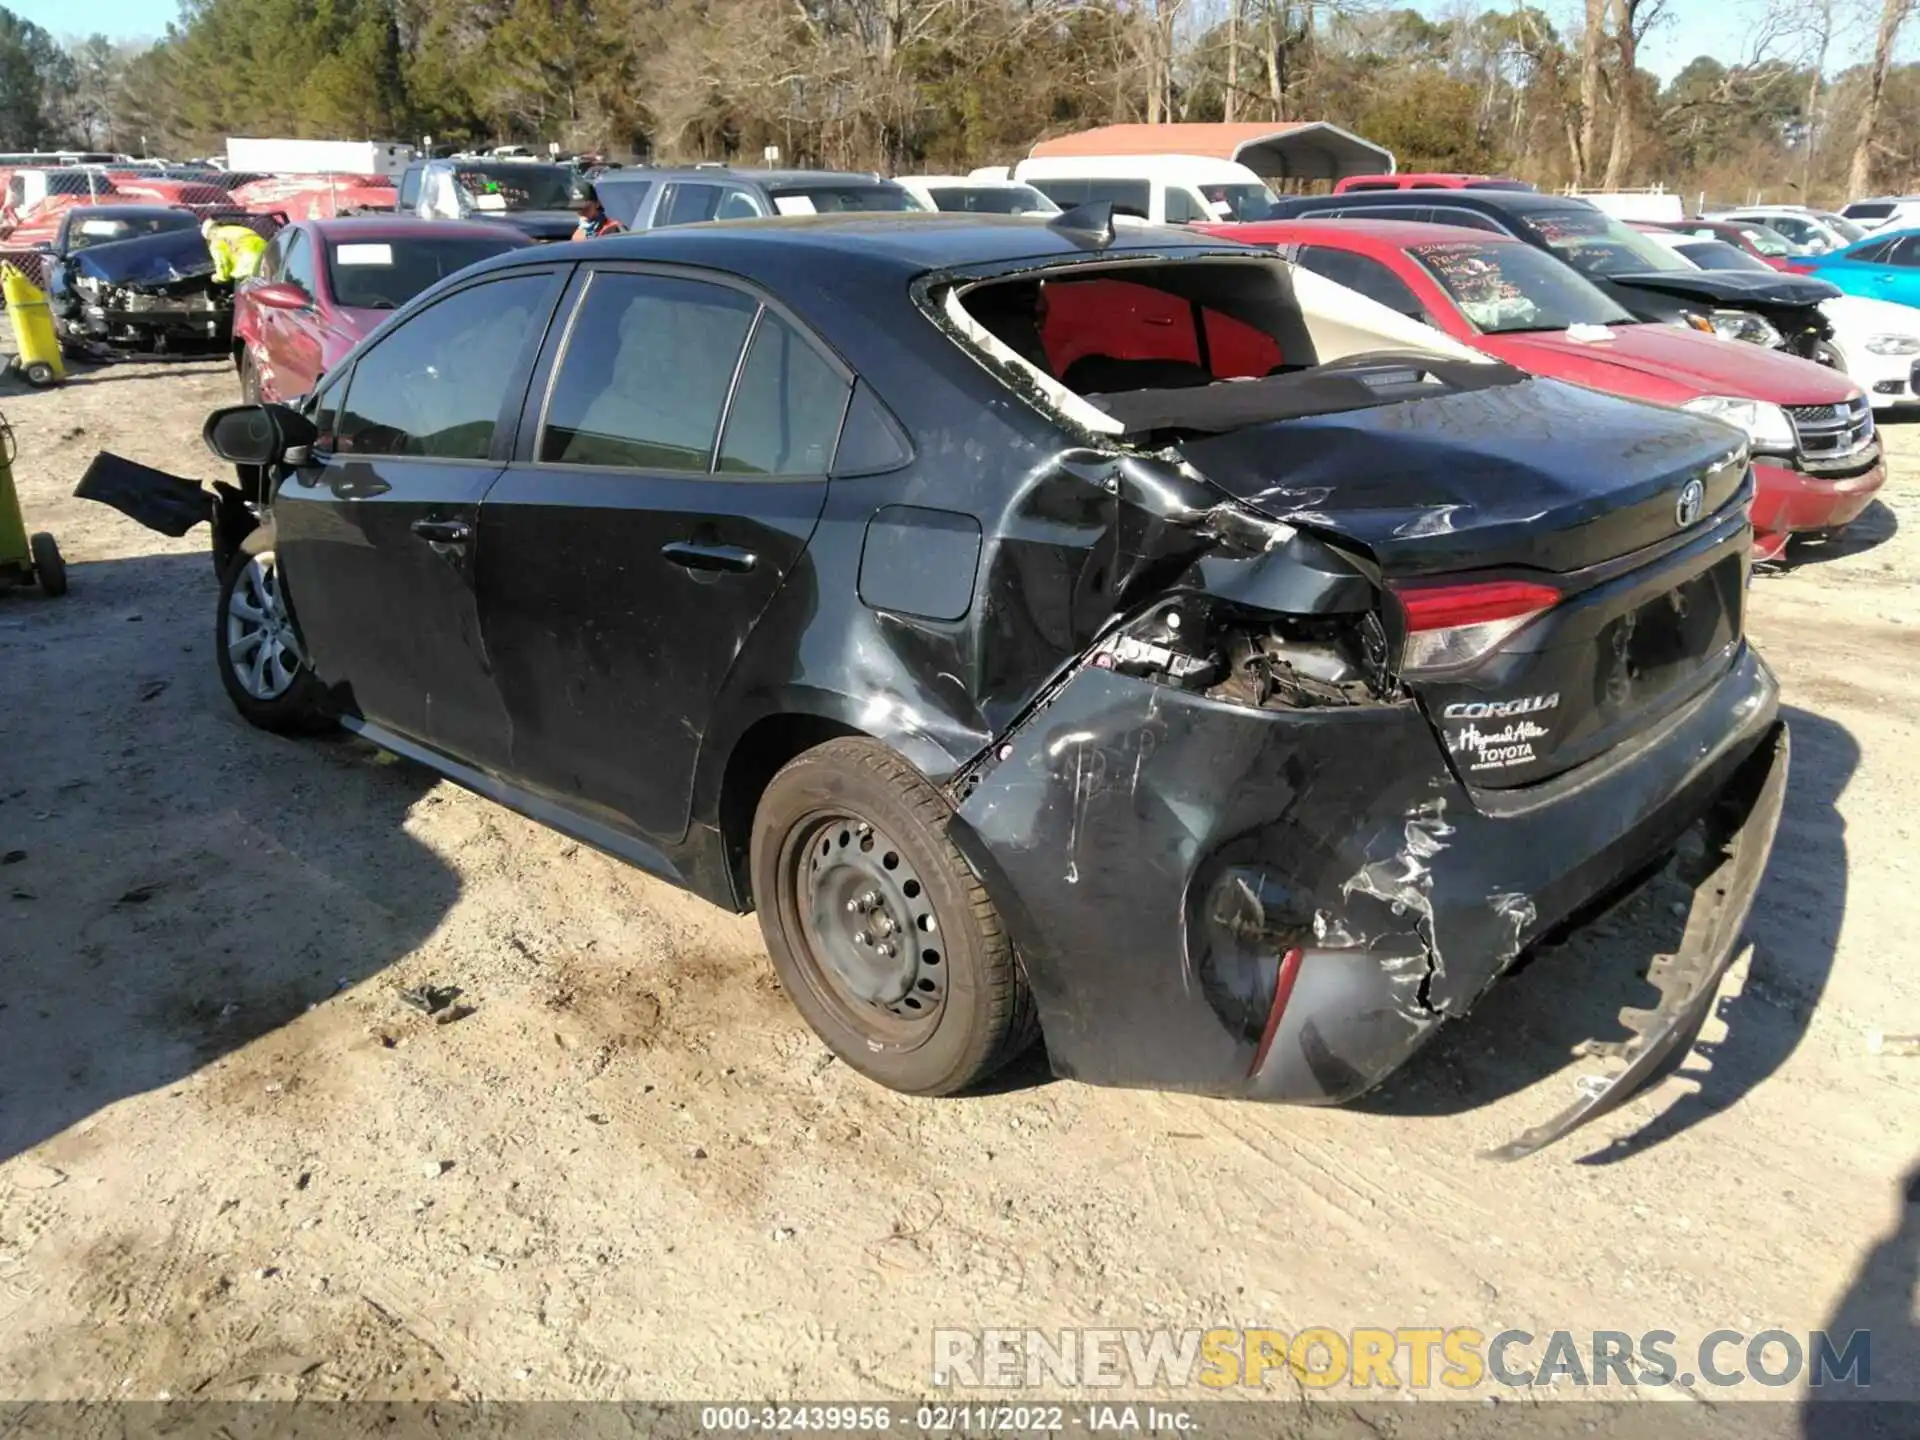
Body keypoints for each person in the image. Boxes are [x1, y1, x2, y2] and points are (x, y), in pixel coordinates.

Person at [202, 218, 267, 283]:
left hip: (249, 270)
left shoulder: (215, 241)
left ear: (208, 236)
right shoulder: (238, 229)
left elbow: (223, 264)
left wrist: (219, 278)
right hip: (268, 259)